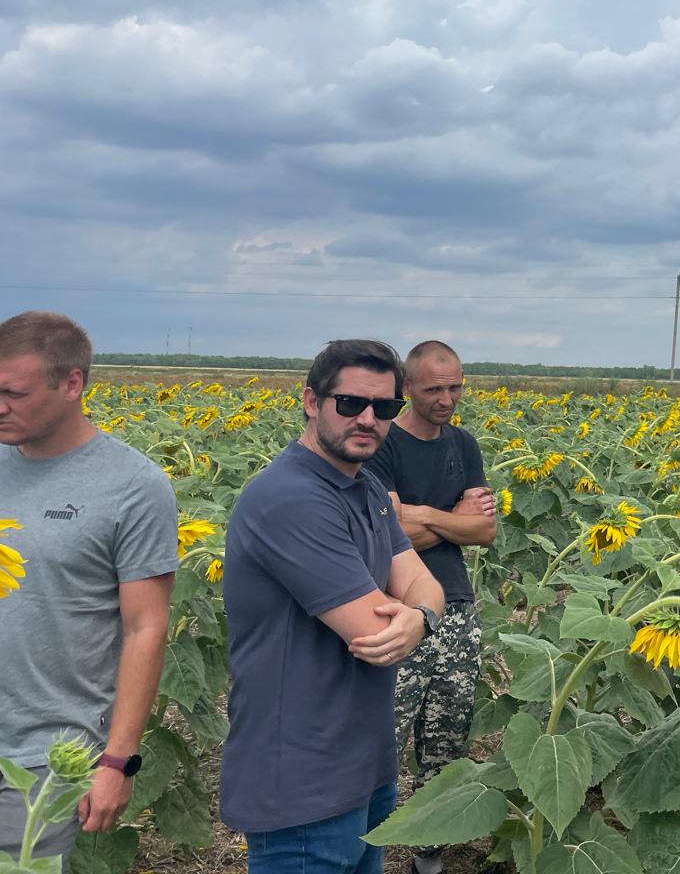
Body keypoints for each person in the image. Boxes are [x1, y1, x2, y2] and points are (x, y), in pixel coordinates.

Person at [221, 339, 445, 874]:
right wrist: (412, 614)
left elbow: (423, 583)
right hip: (302, 777)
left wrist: (420, 616)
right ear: (310, 401)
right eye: (350, 404)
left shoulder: (364, 487)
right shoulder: (292, 498)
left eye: (384, 407)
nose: (368, 418)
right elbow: (374, 635)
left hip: (363, 764)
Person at [0, 311, 178, 861]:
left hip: (46, 759)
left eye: (14, 392)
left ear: (72, 383)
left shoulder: (133, 486)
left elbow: (146, 627)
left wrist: (118, 762)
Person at [362, 341, 495, 874]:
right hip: (396, 610)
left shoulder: (463, 445)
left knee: (447, 741)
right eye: (435, 388)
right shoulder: (382, 444)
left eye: (455, 386)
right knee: (383, 741)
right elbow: (382, 538)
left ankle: (429, 856)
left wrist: (420, 515)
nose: (446, 398)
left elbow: (484, 529)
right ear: (408, 389)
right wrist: (450, 516)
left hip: (457, 609)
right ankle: (361, 848)